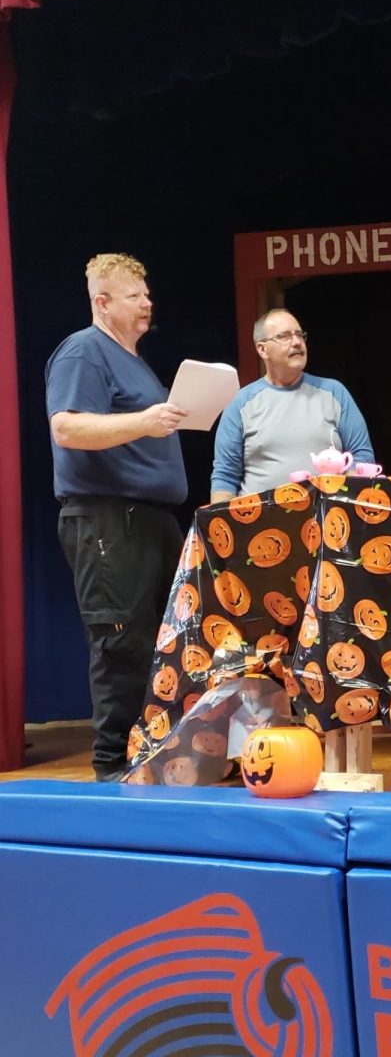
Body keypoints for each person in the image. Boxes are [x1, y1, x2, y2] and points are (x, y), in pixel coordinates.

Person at [46, 253, 188, 782]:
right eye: (135, 295)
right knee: (121, 643)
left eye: (147, 294)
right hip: (109, 521)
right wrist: (146, 421)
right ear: (102, 302)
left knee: (162, 644)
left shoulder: (133, 360)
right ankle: (112, 771)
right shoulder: (84, 352)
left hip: (151, 521)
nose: (148, 302)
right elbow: (67, 428)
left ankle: (153, 761)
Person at [211, 309, 375, 498]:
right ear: (262, 349)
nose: (297, 342)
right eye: (284, 336)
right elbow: (225, 477)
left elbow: (362, 456)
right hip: (260, 522)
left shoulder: (334, 392)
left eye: (299, 334)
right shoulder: (241, 403)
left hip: (328, 519)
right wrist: (220, 523)